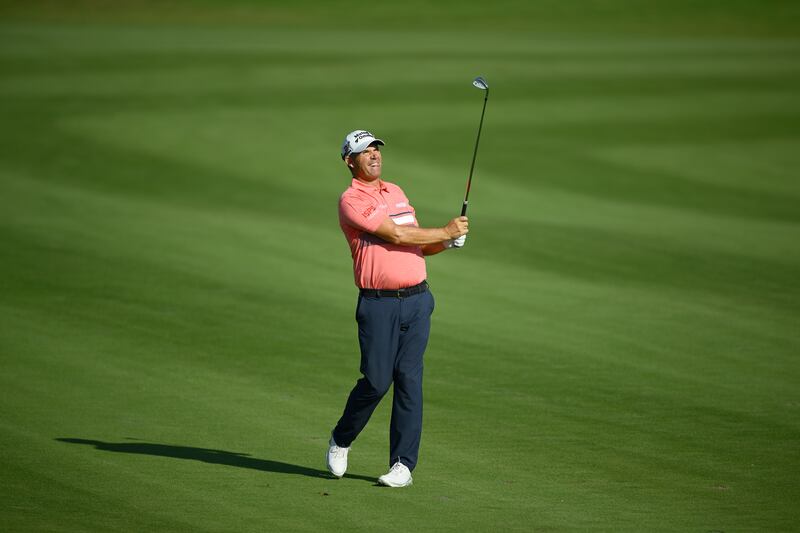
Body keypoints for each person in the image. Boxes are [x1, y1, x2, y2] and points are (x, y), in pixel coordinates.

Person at [326, 129, 469, 487]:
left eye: (376, 149)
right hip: (378, 304)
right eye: (365, 151)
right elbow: (397, 236)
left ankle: (403, 465)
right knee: (376, 381)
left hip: (418, 300)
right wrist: (444, 229)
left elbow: (418, 245)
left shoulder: (397, 191)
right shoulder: (351, 201)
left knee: (409, 379)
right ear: (349, 161)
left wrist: (447, 241)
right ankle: (342, 438)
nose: (374, 155)